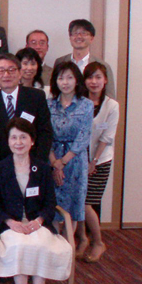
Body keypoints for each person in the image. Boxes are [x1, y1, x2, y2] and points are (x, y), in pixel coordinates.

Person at [0, 119, 72, 284]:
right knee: (19, 245)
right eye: (14, 137)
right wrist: (10, 222)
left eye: (23, 137)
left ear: (32, 141)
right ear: (8, 141)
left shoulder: (42, 168)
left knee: (41, 244)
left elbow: (50, 202)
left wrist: (39, 220)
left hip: (37, 223)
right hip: (11, 225)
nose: (18, 142)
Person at [0, 53, 54, 171]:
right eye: (1, 70)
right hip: (1, 168)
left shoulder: (36, 97)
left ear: (20, 73)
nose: (6, 75)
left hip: (33, 164)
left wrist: (37, 162)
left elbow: (45, 132)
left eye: (11, 70)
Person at [80, 61, 118, 263]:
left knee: (86, 203)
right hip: (78, 159)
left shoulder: (112, 106)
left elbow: (107, 137)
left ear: (105, 81)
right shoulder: (80, 102)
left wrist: (93, 161)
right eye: (89, 77)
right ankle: (82, 239)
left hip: (100, 161)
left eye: (98, 77)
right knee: (77, 202)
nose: (93, 82)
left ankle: (98, 242)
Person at [48, 61, 93, 227]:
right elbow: (45, 135)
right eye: (61, 78)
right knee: (53, 204)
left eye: (69, 78)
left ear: (77, 80)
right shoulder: (49, 104)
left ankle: (69, 241)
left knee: (73, 206)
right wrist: (54, 162)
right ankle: (54, 241)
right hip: (52, 158)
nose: (65, 83)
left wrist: (63, 162)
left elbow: (83, 137)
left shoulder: (86, 105)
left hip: (75, 160)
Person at [53, 19, 117, 99]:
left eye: (84, 33)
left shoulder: (103, 65)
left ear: (92, 38)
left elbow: (109, 97)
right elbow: (54, 90)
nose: (79, 36)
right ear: (70, 38)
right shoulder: (60, 62)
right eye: (75, 33)